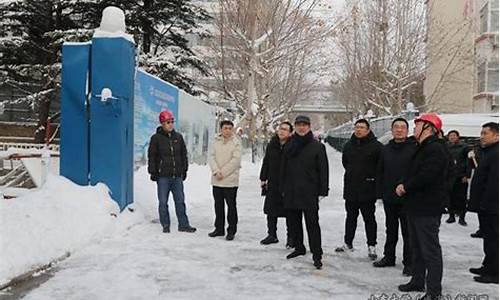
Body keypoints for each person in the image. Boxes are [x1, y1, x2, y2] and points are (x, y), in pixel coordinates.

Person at [396, 113, 447, 300]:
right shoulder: (422, 147)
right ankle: (417, 280)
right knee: (416, 247)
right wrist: (403, 182)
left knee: (430, 249)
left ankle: (434, 291)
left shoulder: (436, 149)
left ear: (429, 128)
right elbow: (411, 171)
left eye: (418, 125)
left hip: (427, 208)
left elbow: (427, 176)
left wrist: (405, 186)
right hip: (415, 206)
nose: (414, 128)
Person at [282, 115, 329, 269]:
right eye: (298, 125)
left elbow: (323, 170)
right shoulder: (289, 144)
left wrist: (323, 190)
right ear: (295, 127)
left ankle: (317, 254)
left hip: (309, 191)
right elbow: (282, 167)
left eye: (304, 125)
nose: (301, 127)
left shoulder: (317, 146)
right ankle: (299, 247)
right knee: (294, 222)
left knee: (312, 224)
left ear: (309, 127)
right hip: (291, 189)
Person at [373, 118, 416, 276]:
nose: (399, 130)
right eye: (396, 127)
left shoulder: (414, 148)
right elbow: (380, 171)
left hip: (408, 197)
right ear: (392, 130)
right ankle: (389, 256)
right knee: (390, 229)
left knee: (408, 231)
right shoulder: (386, 149)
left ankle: (409, 262)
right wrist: (379, 193)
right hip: (389, 197)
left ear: (407, 130)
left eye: (402, 127)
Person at [336, 119, 382, 260]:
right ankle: (348, 242)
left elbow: (380, 167)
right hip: (351, 187)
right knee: (350, 217)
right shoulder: (349, 145)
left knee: (369, 218)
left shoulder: (377, 146)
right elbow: (345, 162)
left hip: (368, 188)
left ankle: (371, 245)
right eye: (357, 127)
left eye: (362, 127)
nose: (359, 130)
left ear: (368, 130)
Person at [148, 110, 196, 233]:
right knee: (163, 202)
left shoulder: (178, 137)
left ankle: (183, 225)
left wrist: (184, 170)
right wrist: (153, 172)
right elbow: (152, 156)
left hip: (177, 176)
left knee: (180, 201)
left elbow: (183, 155)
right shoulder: (156, 138)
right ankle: (165, 225)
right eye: (167, 122)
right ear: (162, 123)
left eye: (172, 122)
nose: (170, 124)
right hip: (163, 176)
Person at [468, 122, 499, 284]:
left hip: (493, 207)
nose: (481, 136)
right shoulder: (489, 152)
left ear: (497, 135)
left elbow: (495, 184)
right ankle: (488, 266)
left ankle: (495, 273)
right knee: (488, 238)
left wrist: (487, 204)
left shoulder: (497, 154)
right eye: (481, 133)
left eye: (485, 133)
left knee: (495, 239)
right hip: (485, 206)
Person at [259, 121, 294, 247]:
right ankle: (272, 234)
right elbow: (266, 161)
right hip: (273, 182)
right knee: (271, 211)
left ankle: (291, 237)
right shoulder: (272, 144)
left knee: (290, 212)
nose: (281, 131)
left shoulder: (293, 145)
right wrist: (263, 178)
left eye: (285, 129)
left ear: (290, 133)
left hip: (288, 183)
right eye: (280, 129)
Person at [208, 120, 242, 241]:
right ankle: (219, 228)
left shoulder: (236, 143)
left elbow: (236, 160)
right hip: (217, 179)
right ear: (221, 129)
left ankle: (231, 230)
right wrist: (216, 171)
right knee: (218, 206)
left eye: (229, 128)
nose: (227, 130)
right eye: (225, 128)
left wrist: (224, 172)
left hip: (230, 181)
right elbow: (211, 157)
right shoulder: (215, 141)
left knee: (231, 207)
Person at [446, 130, 469, 225]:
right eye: (450, 136)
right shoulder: (445, 147)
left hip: (461, 176)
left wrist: (466, 175)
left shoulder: (464, 147)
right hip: (450, 176)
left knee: (462, 198)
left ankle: (462, 218)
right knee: (450, 197)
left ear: (458, 137)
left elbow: (469, 161)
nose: (452, 137)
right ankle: (451, 216)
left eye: (454, 135)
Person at [466, 143, 485, 238]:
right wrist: (472, 158)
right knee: (481, 209)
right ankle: (482, 229)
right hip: (481, 183)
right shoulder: (480, 151)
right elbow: (473, 166)